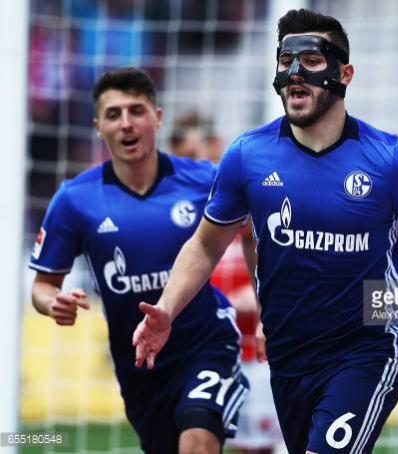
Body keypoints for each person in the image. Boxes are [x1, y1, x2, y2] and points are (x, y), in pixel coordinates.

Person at [133, 9, 398, 454]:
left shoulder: (392, 160)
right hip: (289, 358)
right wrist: (167, 310)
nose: (293, 73)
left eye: (310, 60)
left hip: (365, 349)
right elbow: (206, 244)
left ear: (344, 73)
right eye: (284, 61)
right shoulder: (247, 157)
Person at [29, 67, 248, 454]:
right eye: (114, 114)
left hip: (206, 342)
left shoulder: (203, 179)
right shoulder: (75, 199)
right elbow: (43, 285)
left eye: (137, 110)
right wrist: (53, 303)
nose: (126, 124)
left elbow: (254, 231)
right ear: (98, 127)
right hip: (140, 365)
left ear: (157, 117)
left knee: (197, 442)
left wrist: (268, 300)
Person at [170, 113, 285, 453]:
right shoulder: (185, 218)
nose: (190, 166)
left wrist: (255, 299)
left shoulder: (250, 200)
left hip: (267, 355)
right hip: (220, 358)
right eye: (183, 160)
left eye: (194, 154)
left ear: (215, 146)